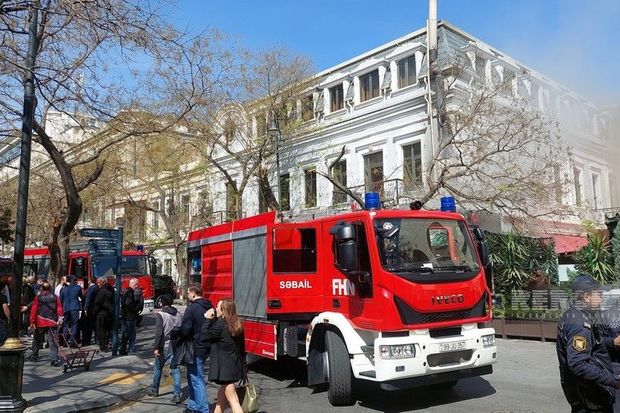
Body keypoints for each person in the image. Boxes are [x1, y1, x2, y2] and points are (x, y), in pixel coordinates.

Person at [557, 275, 620, 412]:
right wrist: (614, 381)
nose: (602, 297)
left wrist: (611, 342)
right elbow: (578, 364)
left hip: (586, 391)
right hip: (588, 394)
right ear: (586, 297)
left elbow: (592, 345)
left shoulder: (578, 315)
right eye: (599, 294)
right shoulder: (579, 324)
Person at [202, 299, 245, 413]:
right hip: (234, 365)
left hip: (224, 369)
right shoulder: (237, 324)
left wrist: (207, 319)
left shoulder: (221, 325)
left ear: (224, 310)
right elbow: (242, 348)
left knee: (234, 401)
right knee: (221, 397)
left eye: (218, 307)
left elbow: (204, 336)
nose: (216, 309)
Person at [179, 283, 213, 413]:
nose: (187, 295)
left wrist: (178, 333)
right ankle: (192, 406)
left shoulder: (192, 308)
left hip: (195, 347)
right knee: (192, 376)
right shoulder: (209, 305)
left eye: (188, 292)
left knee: (197, 378)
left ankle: (202, 409)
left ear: (193, 293)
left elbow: (185, 329)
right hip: (206, 346)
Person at [148, 295, 182, 403]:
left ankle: (154, 389)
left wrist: (156, 347)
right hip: (175, 345)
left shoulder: (161, 315)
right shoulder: (178, 314)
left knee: (158, 368)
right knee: (175, 370)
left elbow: (159, 333)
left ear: (162, 303)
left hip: (164, 345)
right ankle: (177, 394)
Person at [28, 282, 63, 365]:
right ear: (50, 288)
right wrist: (60, 319)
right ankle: (54, 358)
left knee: (36, 339)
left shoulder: (38, 297)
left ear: (42, 288)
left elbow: (34, 310)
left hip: (40, 321)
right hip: (52, 321)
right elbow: (59, 309)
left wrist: (32, 321)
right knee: (52, 340)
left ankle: (34, 356)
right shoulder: (55, 297)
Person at [60, 275, 83, 347]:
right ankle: (72, 342)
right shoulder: (78, 288)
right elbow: (81, 296)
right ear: (75, 281)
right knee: (74, 325)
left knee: (66, 325)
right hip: (74, 307)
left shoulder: (64, 289)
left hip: (66, 308)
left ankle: (64, 342)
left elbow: (61, 299)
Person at [93, 277, 114, 352]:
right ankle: (108, 343)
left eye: (98, 282)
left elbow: (98, 303)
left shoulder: (102, 291)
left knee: (101, 331)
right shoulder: (111, 289)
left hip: (102, 313)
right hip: (110, 312)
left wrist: (94, 313)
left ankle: (102, 346)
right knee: (108, 330)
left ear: (102, 282)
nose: (97, 284)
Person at [120, 278, 140, 355]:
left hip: (126, 315)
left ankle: (123, 350)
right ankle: (131, 349)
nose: (136, 286)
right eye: (135, 284)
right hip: (130, 316)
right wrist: (135, 309)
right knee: (131, 334)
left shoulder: (126, 291)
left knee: (125, 334)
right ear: (131, 284)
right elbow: (128, 304)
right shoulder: (129, 292)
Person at [81, 277, 98, 346]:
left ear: (90, 281)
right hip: (91, 308)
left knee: (87, 326)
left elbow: (88, 298)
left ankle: (86, 341)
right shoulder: (94, 288)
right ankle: (87, 340)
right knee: (89, 326)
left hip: (89, 309)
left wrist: (85, 309)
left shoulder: (91, 288)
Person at [0, 279, 9, 346]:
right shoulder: (3, 297)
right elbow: (5, 308)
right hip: (1, 319)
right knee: (2, 338)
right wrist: (9, 318)